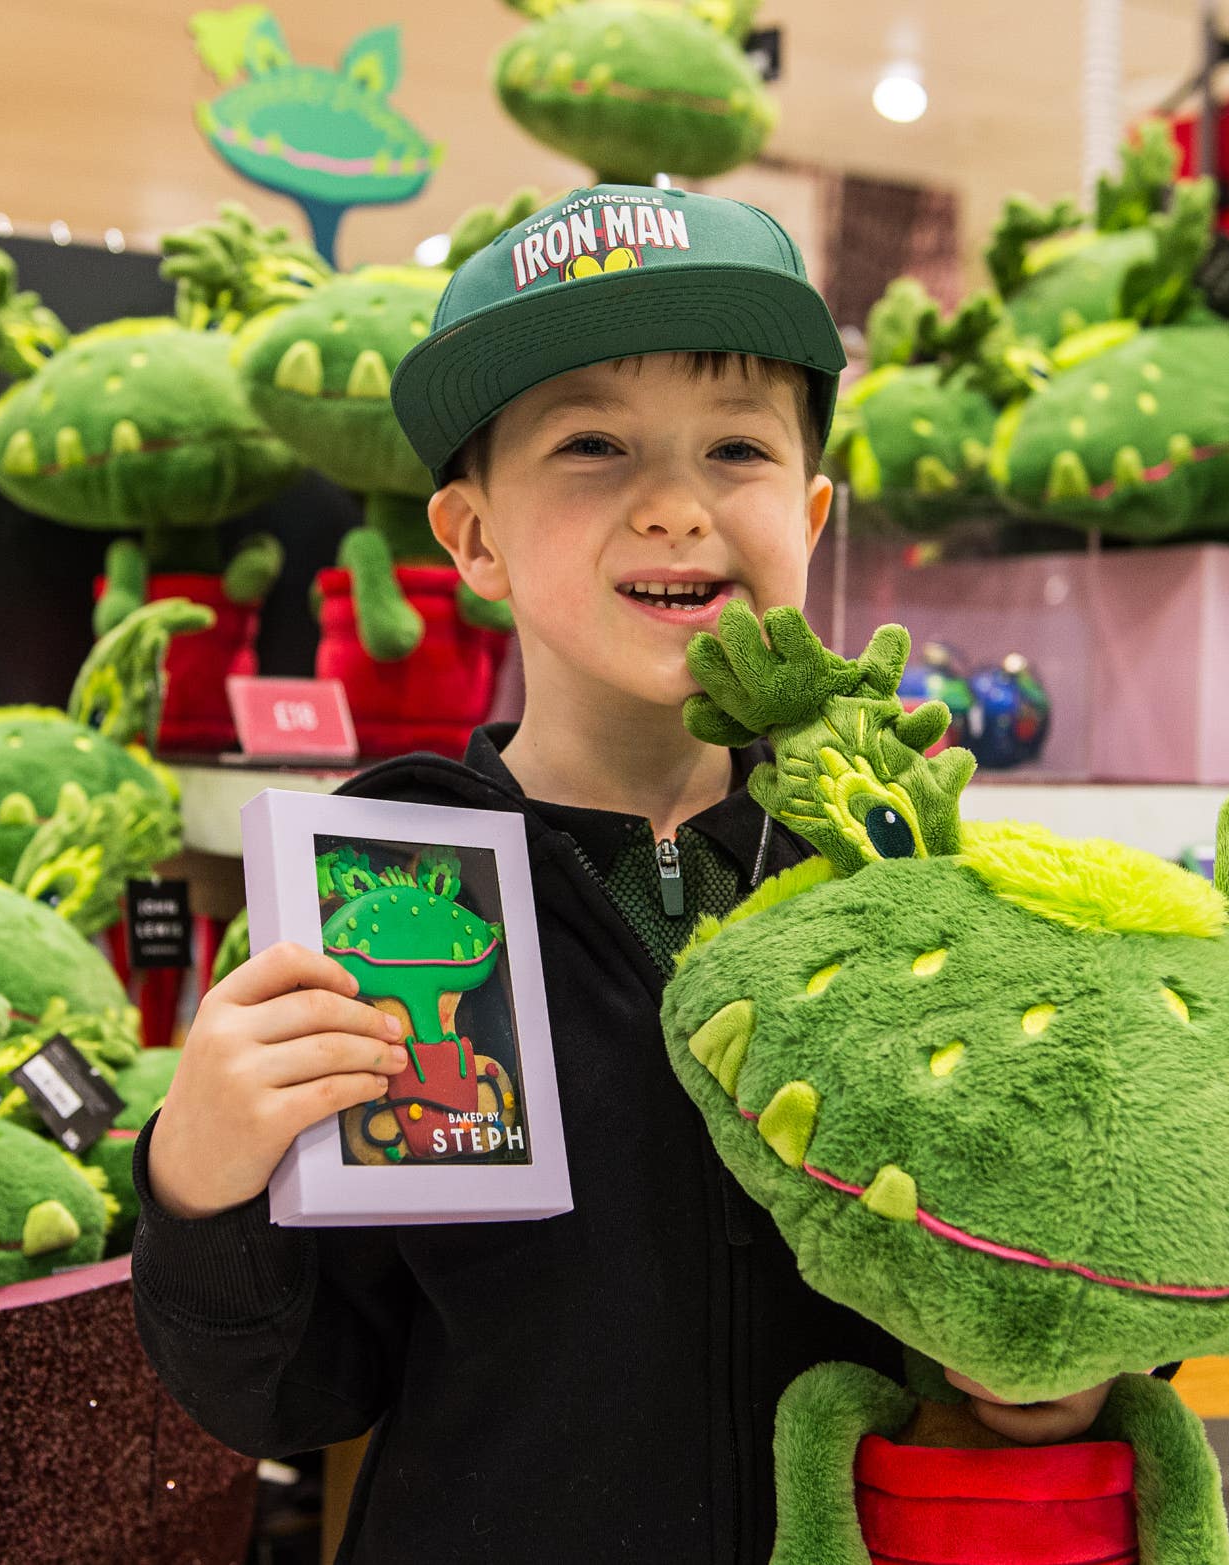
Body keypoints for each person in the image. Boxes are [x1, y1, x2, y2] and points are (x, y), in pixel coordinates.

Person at [130, 184, 902, 1561]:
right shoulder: (387, 880)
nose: (674, 504)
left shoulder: (891, 865)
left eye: (736, 447)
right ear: (472, 536)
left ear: (815, 509)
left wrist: (1063, 1373)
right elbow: (296, 1392)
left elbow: (1026, 1270)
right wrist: (203, 1181)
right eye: (594, 444)